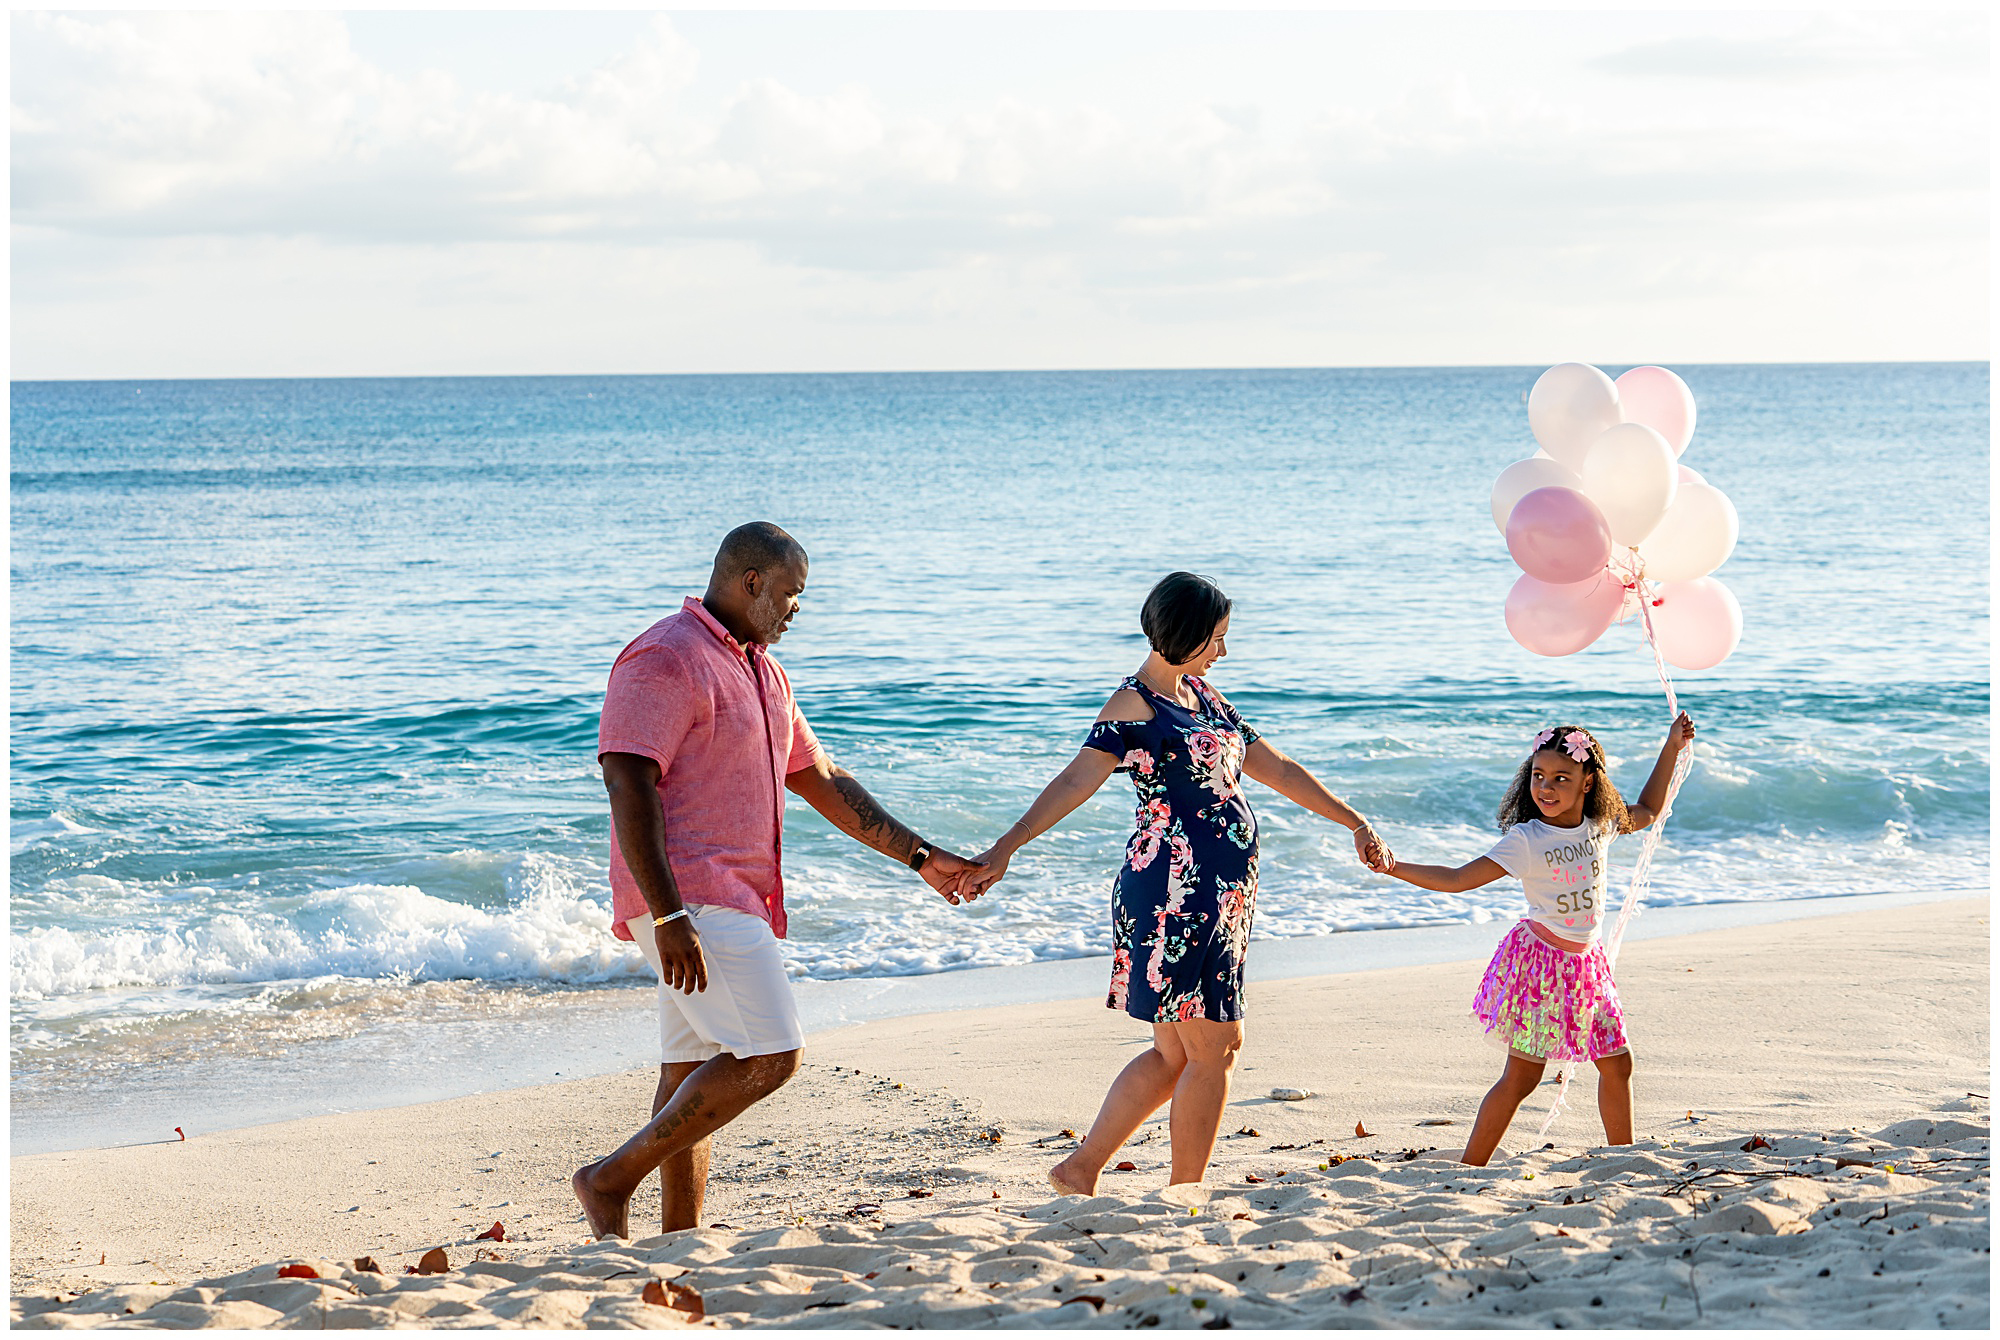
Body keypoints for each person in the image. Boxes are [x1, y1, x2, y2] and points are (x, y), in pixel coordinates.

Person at [571, 522, 983, 1239]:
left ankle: (679, 1242)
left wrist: (921, 857)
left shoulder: (762, 671)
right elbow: (626, 779)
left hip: (731, 899)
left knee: (690, 1068)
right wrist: (668, 917)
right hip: (689, 897)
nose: (797, 609)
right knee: (769, 1055)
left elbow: (819, 779)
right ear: (751, 582)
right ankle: (607, 1181)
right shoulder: (666, 656)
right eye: (790, 595)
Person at [962, 571, 1389, 1194]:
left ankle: (1079, 1169)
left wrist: (1354, 820)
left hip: (1222, 897)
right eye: (1215, 638)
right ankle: (1186, 1193)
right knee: (1215, 1047)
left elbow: (1281, 771)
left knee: (1177, 1055)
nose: (1224, 651)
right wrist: (1006, 847)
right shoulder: (1133, 707)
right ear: (1183, 634)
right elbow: (1074, 784)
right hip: (1174, 895)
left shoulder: (1207, 699)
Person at [1376, 713, 1696, 1166]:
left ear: (1588, 783)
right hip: (1541, 966)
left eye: (1561, 778)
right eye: (1539, 776)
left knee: (1617, 1063)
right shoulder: (1526, 839)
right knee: (1522, 1079)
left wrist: (1671, 746)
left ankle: (1623, 1159)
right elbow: (1457, 878)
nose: (1545, 788)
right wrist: (1394, 867)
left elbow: (1647, 810)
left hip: (1587, 965)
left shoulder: (1600, 824)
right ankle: (1471, 1165)